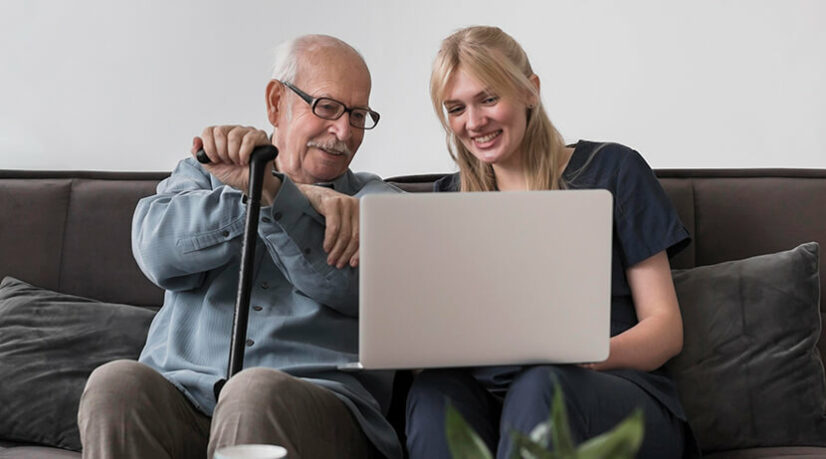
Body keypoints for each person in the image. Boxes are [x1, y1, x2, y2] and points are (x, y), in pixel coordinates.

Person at [77, 34, 403, 459]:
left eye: (358, 115)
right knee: (115, 384)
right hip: (184, 398)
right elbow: (155, 252)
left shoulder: (376, 203)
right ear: (275, 103)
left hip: (318, 408)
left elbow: (350, 288)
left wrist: (274, 195)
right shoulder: (204, 173)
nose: (344, 131)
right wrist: (261, 195)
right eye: (327, 107)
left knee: (252, 391)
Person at [404, 26, 694, 458]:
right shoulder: (449, 200)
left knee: (541, 383)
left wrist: (589, 356)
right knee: (431, 395)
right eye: (456, 108)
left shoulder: (613, 170)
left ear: (529, 92)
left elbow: (665, 328)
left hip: (613, 391)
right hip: (495, 391)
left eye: (488, 99)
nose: (474, 122)